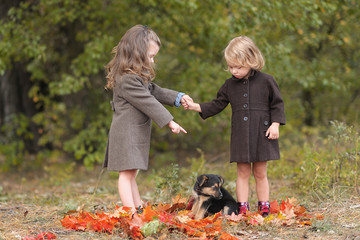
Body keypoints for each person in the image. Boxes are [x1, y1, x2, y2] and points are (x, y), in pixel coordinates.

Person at [186, 36, 285, 217]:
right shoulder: (229, 85)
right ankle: (242, 208)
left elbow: (277, 104)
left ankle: (264, 207)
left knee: (260, 172)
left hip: (263, 133)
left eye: (238, 67)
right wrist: (197, 106)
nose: (234, 71)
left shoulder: (267, 81)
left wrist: (276, 124)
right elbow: (217, 104)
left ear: (252, 60)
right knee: (243, 172)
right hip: (241, 135)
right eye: (231, 66)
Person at [103, 25, 191, 214]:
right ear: (136, 53)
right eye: (150, 56)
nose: (153, 60)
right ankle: (131, 212)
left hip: (134, 132)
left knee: (132, 173)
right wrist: (170, 121)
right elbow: (148, 101)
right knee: (126, 175)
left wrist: (178, 97)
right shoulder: (126, 79)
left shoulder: (136, 76)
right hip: (126, 133)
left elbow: (154, 91)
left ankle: (138, 208)